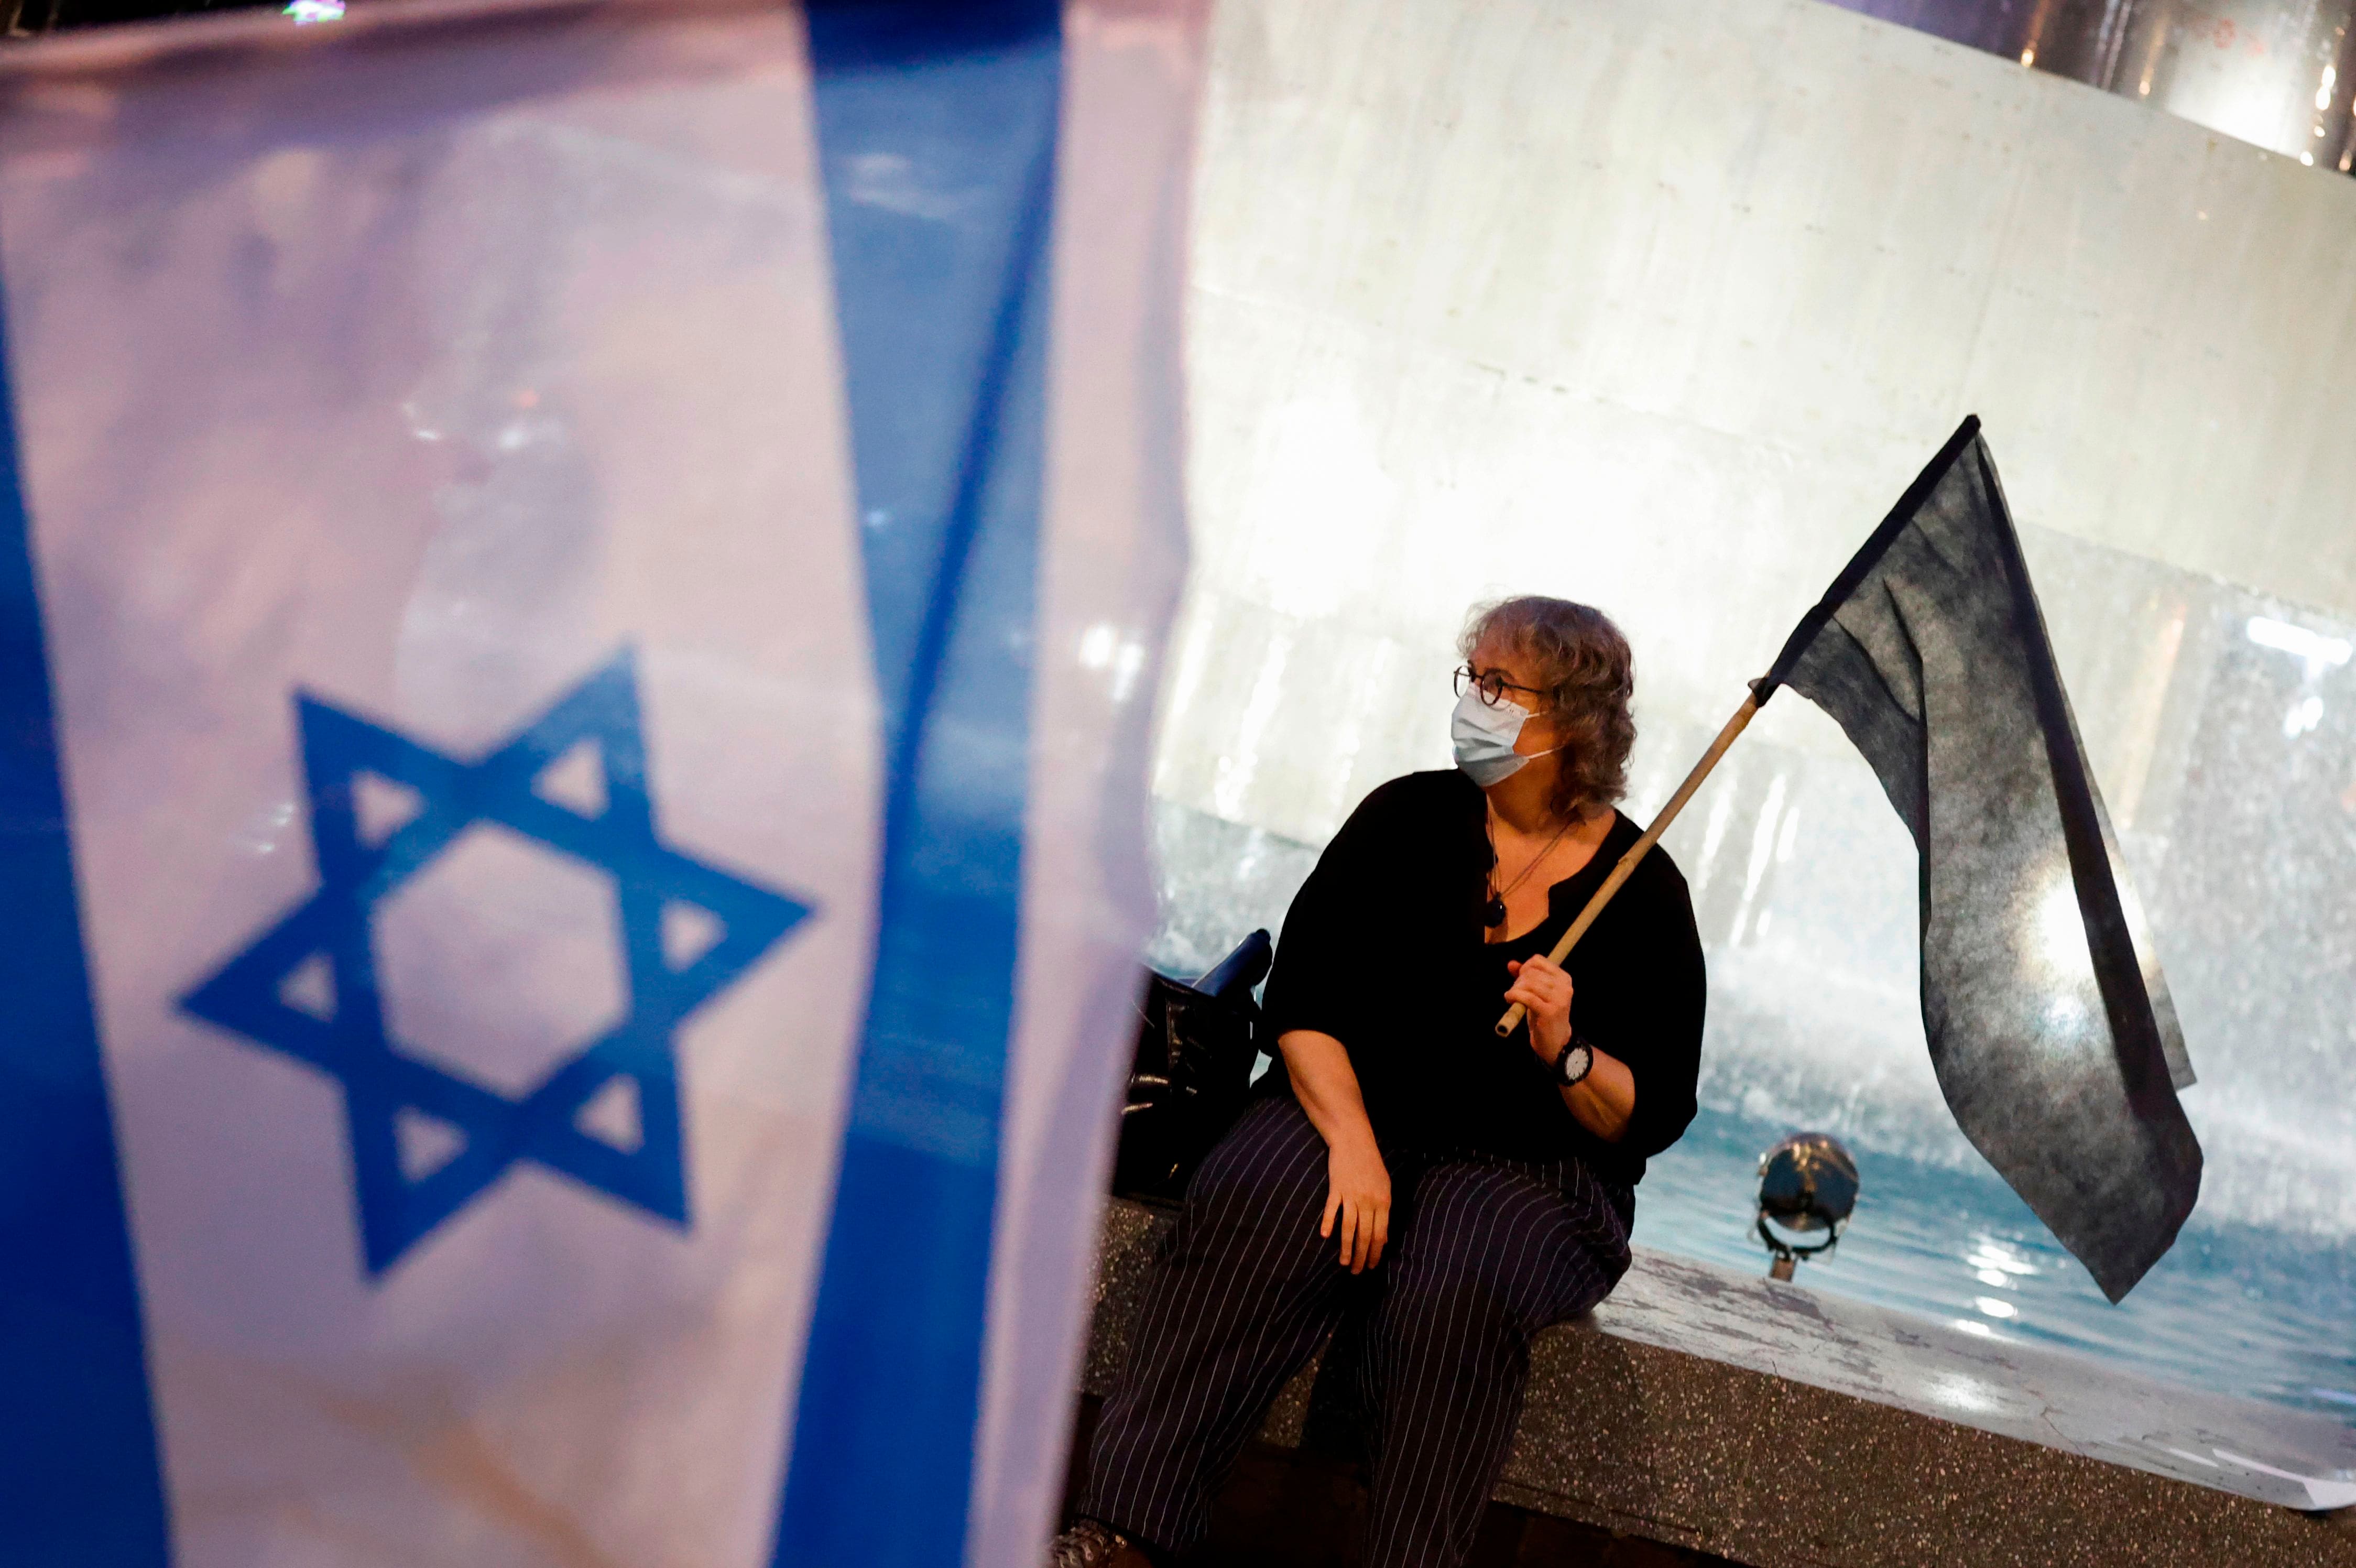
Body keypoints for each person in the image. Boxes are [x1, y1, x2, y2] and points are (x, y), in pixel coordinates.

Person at [1050, 596, 1707, 1568]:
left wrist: (1565, 1048)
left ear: (1571, 720)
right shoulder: (1407, 817)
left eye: (1500, 687)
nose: (1473, 703)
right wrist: (1354, 1145)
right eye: (1473, 678)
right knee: (1258, 1203)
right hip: (1349, 1107)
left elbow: (1646, 1113)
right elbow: (1304, 1000)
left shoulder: (1644, 891)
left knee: (1455, 1285)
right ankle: (1125, 1532)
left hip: (1532, 1169)